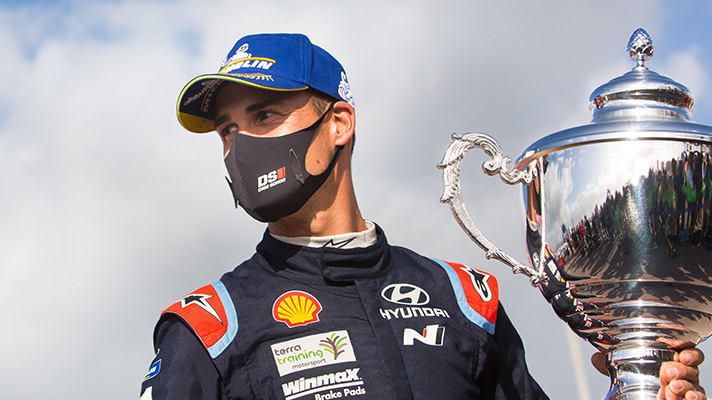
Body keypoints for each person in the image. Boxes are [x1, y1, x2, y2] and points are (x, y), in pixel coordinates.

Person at [140, 33, 706, 400]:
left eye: (264, 114)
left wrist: (638, 389)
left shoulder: (464, 299)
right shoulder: (210, 328)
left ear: (339, 123)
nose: (241, 146)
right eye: (227, 132)